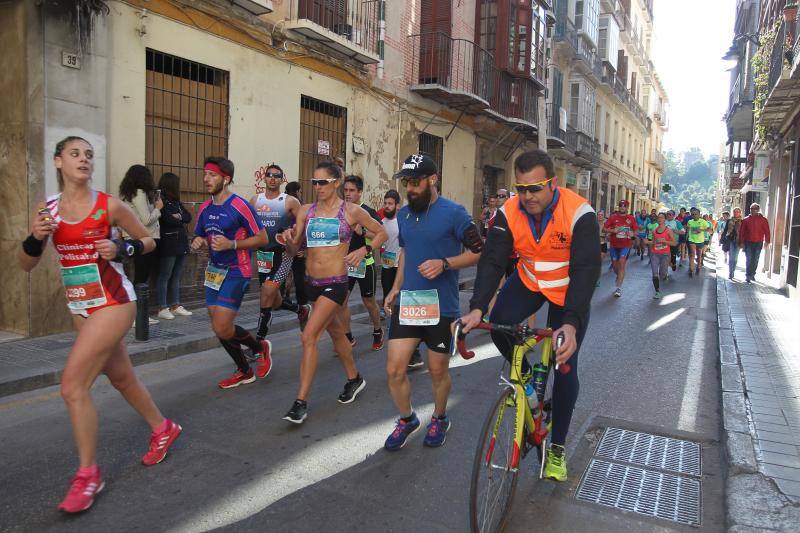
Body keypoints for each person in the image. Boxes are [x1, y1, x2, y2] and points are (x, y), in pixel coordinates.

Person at [19, 136, 181, 513]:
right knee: (122, 377)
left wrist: (123, 248)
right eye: (75, 154)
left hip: (115, 302)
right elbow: (26, 265)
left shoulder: (109, 206)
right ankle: (163, 428)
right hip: (81, 307)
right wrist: (35, 237)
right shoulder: (47, 211)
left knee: (73, 386)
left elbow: (148, 241)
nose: (84, 160)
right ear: (58, 161)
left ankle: (88, 475)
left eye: (89, 155)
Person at [459, 149, 600, 481]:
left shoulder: (580, 213)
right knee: (499, 327)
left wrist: (571, 323)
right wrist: (478, 307)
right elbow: (493, 261)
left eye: (535, 188)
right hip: (531, 282)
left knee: (565, 366)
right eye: (521, 188)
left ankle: (557, 449)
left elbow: (586, 270)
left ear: (553, 183)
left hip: (569, 291)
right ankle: (530, 391)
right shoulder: (509, 212)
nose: (528, 196)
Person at [382, 154, 482, 450]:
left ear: (432, 180)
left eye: (415, 182)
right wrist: (395, 288)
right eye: (406, 184)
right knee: (394, 369)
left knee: (437, 371)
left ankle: (439, 417)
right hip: (410, 302)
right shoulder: (403, 214)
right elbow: (406, 253)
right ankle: (407, 419)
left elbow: (479, 251)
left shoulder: (455, 213)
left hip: (442, 307)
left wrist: (445, 263)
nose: (410, 189)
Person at [280, 161, 387, 424]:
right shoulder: (306, 211)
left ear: (336, 182)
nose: (317, 187)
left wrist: (364, 250)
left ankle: (300, 402)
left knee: (309, 336)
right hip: (311, 283)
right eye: (314, 182)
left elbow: (381, 232)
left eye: (323, 182)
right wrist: (288, 241)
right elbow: (295, 250)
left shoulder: (351, 211)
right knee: (338, 333)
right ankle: (355, 378)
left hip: (336, 282)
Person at [191, 156, 271, 388]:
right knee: (219, 326)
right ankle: (245, 370)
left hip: (237, 270)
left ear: (225, 180)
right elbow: (199, 234)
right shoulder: (205, 207)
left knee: (222, 325)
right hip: (214, 272)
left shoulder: (239, 206)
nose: (206, 179)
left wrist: (232, 245)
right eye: (205, 173)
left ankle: (259, 348)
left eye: (212, 175)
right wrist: (198, 241)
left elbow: (263, 238)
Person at [250, 164, 302, 373]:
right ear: (264, 178)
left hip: (283, 255)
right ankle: (299, 310)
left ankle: (258, 344)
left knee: (267, 293)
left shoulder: (290, 201)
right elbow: (247, 224)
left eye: (276, 176)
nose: (272, 179)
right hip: (263, 255)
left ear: (282, 179)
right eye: (269, 175)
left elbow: (303, 224)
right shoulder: (255, 200)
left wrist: (297, 243)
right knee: (274, 300)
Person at [339, 175, 384, 350]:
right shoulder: (339, 211)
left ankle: (377, 330)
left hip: (365, 264)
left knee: (369, 301)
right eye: (346, 190)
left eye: (352, 190)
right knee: (342, 302)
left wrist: (362, 230)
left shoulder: (368, 212)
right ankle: (348, 336)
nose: (348, 194)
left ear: (359, 192)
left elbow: (381, 235)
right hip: (346, 264)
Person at [119, 164, 163, 325]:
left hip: (132, 239)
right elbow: (146, 220)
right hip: (143, 239)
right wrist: (158, 209)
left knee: (139, 276)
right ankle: (138, 316)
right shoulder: (139, 193)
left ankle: (137, 314)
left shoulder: (128, 195)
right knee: (141, 277)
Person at [155, 172, 193, 320]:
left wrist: (179, 217)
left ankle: (175, 305)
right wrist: (178, 218)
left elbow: (188, 217)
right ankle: (162, 307)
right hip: (168, 243)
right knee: (165, 275)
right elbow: (166, 219)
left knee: (176, 275)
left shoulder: (176, 201)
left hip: (180, 243)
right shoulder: (160, 200)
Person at [283, 180, 311, 328]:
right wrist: (304, 249)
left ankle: (286, 298)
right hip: (297, 247)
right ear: (298, 191)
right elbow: (305, 230)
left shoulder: (283, 203)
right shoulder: (301, 206)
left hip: (286, 246)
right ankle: (302, 304)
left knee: (287, 274)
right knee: (299, 277)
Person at [603, 199, 637, 297]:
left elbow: (636, 231)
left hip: (626, 245)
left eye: (625, 206)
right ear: (619, 207)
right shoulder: (613, 217)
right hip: (614, 245)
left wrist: (632, 234)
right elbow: (604, 229)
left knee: (622, 263)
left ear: (627, 207)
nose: (623, 207)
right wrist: (613, 230)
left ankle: (618, 288)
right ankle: (619, 275)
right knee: (614, 266)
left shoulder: (631, 218)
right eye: (621, 206)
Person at [645, 213, 676, 299]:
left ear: (665, 220)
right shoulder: (654, 230)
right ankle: (657, 291)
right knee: (655, 273)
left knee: (662, 274)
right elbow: (654, 242)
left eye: (661, 217)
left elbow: (674, 243)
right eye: (658, 217)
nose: (659, 219)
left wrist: (665, 241)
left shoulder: (668, 230)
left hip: (665, 255)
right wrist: (647, 242)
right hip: (655, 253)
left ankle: (665, 275)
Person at [739, 202, 771, 283]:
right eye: (751, 209)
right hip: (748, 242)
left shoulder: (763, 220)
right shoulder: (745, 220)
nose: (752, 210)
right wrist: (742, 242)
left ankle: (753, 274)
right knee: (749, 259)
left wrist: (767, 241)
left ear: (758, 210)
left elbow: (767, 231)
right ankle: (748, 275)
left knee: (756, 259)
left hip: (759, 242)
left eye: (754, 209)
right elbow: (741, 232)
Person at [685, 207, 710, 277]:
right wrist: (686, 237)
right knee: (692, 254)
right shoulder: (690, 222)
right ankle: (691, 269)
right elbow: (687, 230)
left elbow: (710, 230)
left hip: (700, 241)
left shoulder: (703, 222)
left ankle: (698, 267)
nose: (694, 215)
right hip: (691, 240)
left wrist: (701, 230)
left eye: (696, 214)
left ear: (699, 215)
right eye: (693, 214)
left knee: (699, 256)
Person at [723, 208, 743, 279]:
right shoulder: (729, 221)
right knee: (731, 257)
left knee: (735, 258)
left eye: (737, 212)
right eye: (734, 212)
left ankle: (733, 270)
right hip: (730, 240)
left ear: (740, 213)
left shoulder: (742, 221)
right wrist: (723, 238)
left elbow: (744, 232)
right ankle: (730, 273)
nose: (736, 213)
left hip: (738, 241)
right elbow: (725, 230)